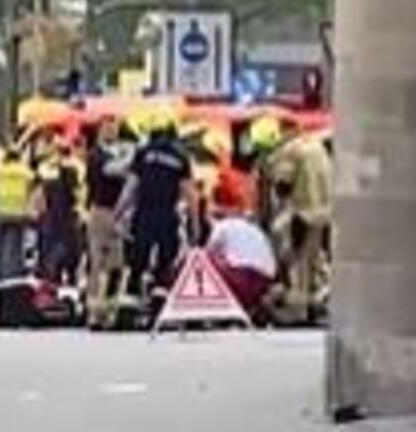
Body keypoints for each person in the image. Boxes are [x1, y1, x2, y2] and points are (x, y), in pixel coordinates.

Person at [251, 117, 333, 324]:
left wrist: (269, 178)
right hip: (325, 212)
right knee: (315, 261)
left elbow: (283, 187)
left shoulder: (287, 153)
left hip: (302, 213)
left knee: (296, 264)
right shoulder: (314, 145)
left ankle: (298, 310)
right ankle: (317, 303)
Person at [115, 106, 193, 309]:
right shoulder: (181, 157)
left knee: (138, 260)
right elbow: (189, 194)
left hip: (144, 213)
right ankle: (159, 300)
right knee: (165, 261)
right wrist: (195, 224)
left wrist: (118, 212)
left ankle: (131, 301)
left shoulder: (143, 153)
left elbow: (131, 187)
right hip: (167, 215)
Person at [85, 113, 133, 329]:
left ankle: (110, 312)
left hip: (118, 213)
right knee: (98, 263)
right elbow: (112, 171)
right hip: (101, 211)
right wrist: (132, 158)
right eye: (107, 127)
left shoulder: (117, 153)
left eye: (115, 128)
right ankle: (94, 313)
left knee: (117, 264)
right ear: (100, 130)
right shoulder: (96, 154)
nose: (112, 131)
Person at [207, 178, 276, 317]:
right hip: (265, 281)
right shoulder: (254, 229)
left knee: (209, 261)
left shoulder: (222, 226)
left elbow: (207, 253)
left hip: (242, 280)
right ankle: (253, 304)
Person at [33, 135, 84, 286]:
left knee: (51, 243)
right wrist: (79, 208)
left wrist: (38, 208)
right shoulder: (75, 167)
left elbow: (39, 190)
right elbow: (77, 192)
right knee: (71, 244)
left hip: (51, 212)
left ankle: (52, 273)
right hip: (67, 212)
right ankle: (70, 274)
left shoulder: (46, 167)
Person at [0, 145, 35, 282]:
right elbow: (32, 187)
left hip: (0, 211)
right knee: (17, 244)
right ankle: (15, 272)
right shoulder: (25, 172)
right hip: (19, 211)